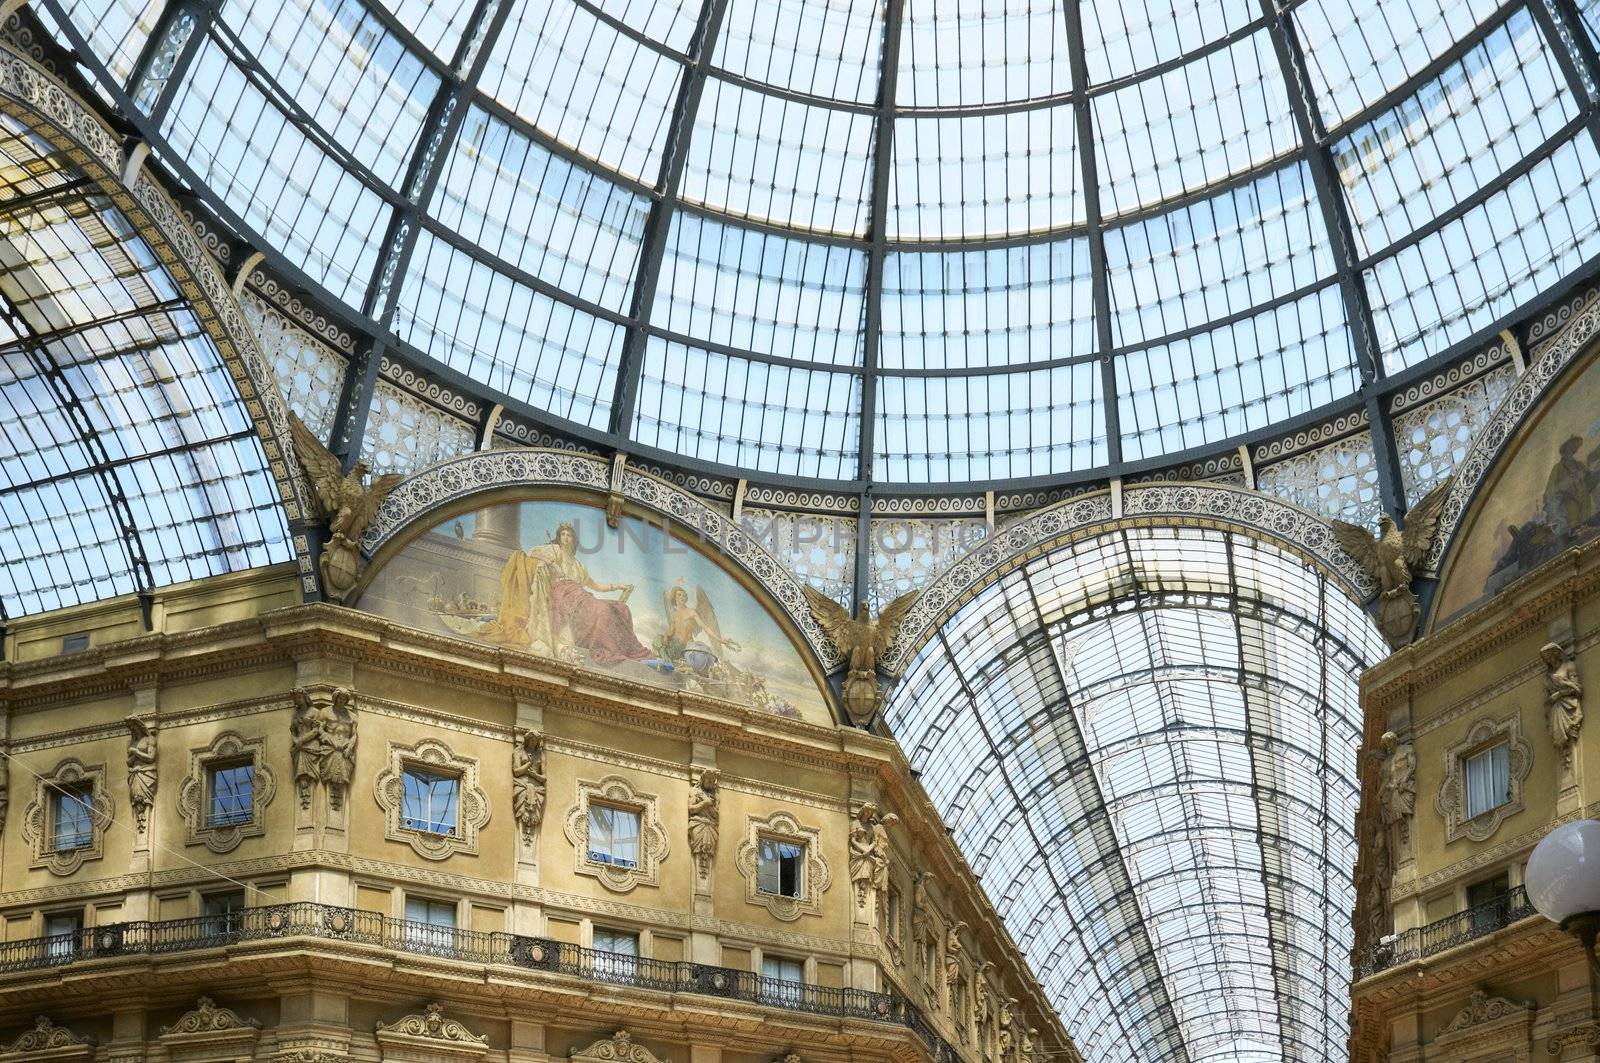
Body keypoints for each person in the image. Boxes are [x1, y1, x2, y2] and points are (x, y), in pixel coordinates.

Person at [490, 522, 651, 663]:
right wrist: (549, 561)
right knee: (601, 610)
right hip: (562, 596)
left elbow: (595, 585)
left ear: (573, 540)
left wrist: (618, 586)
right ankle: (604, 647)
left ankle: (621, 649)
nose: (566, 538)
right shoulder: (554, 550)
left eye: (569, 535)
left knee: (620, 608)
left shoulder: (578, 565)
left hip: (579, 595)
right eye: (563, 534)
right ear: (559, 537)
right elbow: (532, 552)